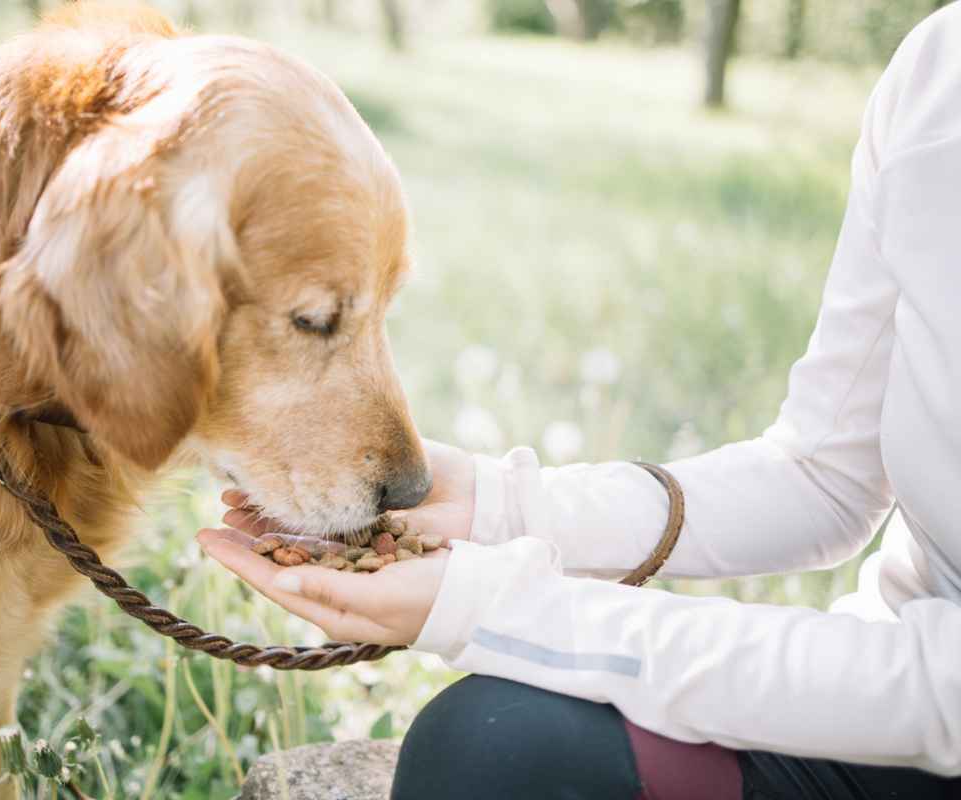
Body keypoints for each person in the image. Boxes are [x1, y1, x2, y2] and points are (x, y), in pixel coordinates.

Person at [197, 6, 961, 798]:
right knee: (494, 748)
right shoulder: (938, 71)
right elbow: (825, 478)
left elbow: (945, 693)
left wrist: (507, 610)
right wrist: (505, 506)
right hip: (882, 707)